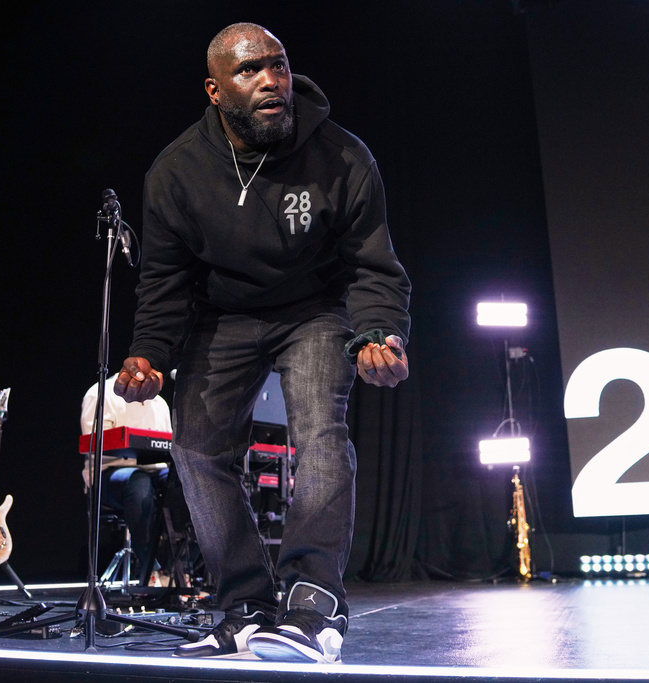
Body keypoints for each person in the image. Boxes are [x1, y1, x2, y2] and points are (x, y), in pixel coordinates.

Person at [114, 22, 410, 663]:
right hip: (223, 316)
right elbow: (164, 281)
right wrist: (150, 354)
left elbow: (373, 265)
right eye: (250, 71)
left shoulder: (342, 156)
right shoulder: (176, 171)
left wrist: (378, 331)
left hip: (316, 309)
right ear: (215, 90)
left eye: (278, 65)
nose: (271, 81)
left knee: (320, 432)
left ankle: (313, 606)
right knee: (194, 445)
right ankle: (244, 606)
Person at [81, 373, 172, 586]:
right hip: (110, 472)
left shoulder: (160, 402)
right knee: (139, 482)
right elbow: (94, 444)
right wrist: (134, 445)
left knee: (191, 483)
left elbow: (167, 444)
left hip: (154, 470)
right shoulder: (101, 393)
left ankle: (177, 569)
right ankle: (149, 569)